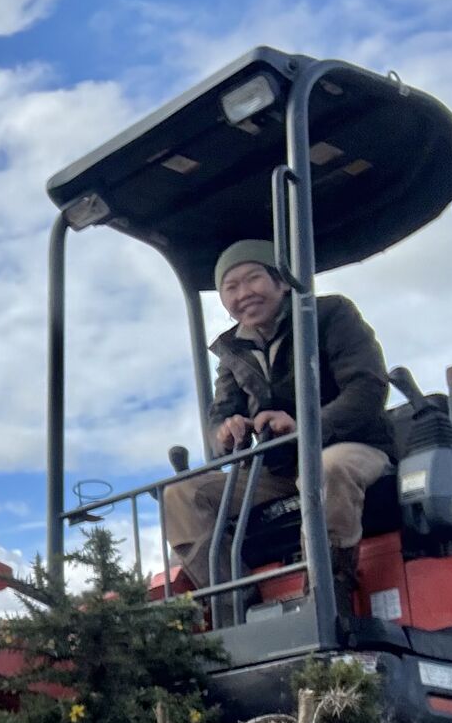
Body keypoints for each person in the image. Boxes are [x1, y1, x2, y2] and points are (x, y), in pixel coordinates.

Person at [162, 238, 393, 617]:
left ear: (282, 282)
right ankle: (233, 605)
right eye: (230, 288)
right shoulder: (232, 352)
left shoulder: (330, 315)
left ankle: (327, 598)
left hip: (350, 446)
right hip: (277, 469)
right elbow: (219, 416)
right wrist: (225, 430)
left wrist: (305, 426)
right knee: (181, 494)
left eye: (253, 279)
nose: (243, 294)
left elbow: (367, 390)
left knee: (326, 469)